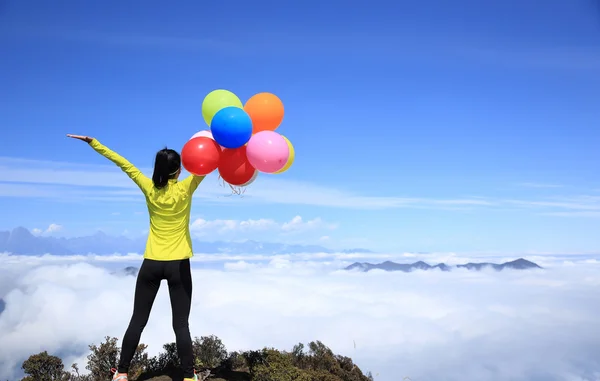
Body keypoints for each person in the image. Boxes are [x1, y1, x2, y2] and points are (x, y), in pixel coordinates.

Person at [67, 134, 202, 381]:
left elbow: (123, 163)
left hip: (151, 263)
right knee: (181, 324)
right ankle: (188, 376)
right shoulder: (187, 187)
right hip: (179, 265)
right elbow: (209, 164)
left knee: (138, 320)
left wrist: (93, 142)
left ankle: (122, 372)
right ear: (179, 169)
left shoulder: (148, 187)